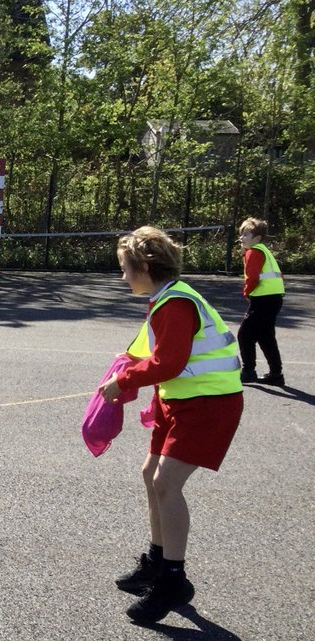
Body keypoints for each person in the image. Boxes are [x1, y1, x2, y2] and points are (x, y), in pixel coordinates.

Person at [98, 226, 243, 624]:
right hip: (179, 400)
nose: (123, 276)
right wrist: (128, 368)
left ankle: (173, 579)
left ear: (144, 266)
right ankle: (157, 560)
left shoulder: (175, 304)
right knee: (151, 475)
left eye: (125, 269)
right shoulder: (165, 299)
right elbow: (155, 356)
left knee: (166, 483)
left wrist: (123, 381)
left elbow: (169, 363)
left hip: (208, 405)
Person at [236, 217, 285, 385]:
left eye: (246, 234)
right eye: (241, 234)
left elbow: (253, 277)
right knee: (265, 336)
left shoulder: (254, 252)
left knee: (244, 335)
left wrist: (246, 292)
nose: (241, 238)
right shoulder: (264, 250)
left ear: (256, 238)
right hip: (274, 298)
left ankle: (248, 371)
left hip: (263, 299)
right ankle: (276, 374)